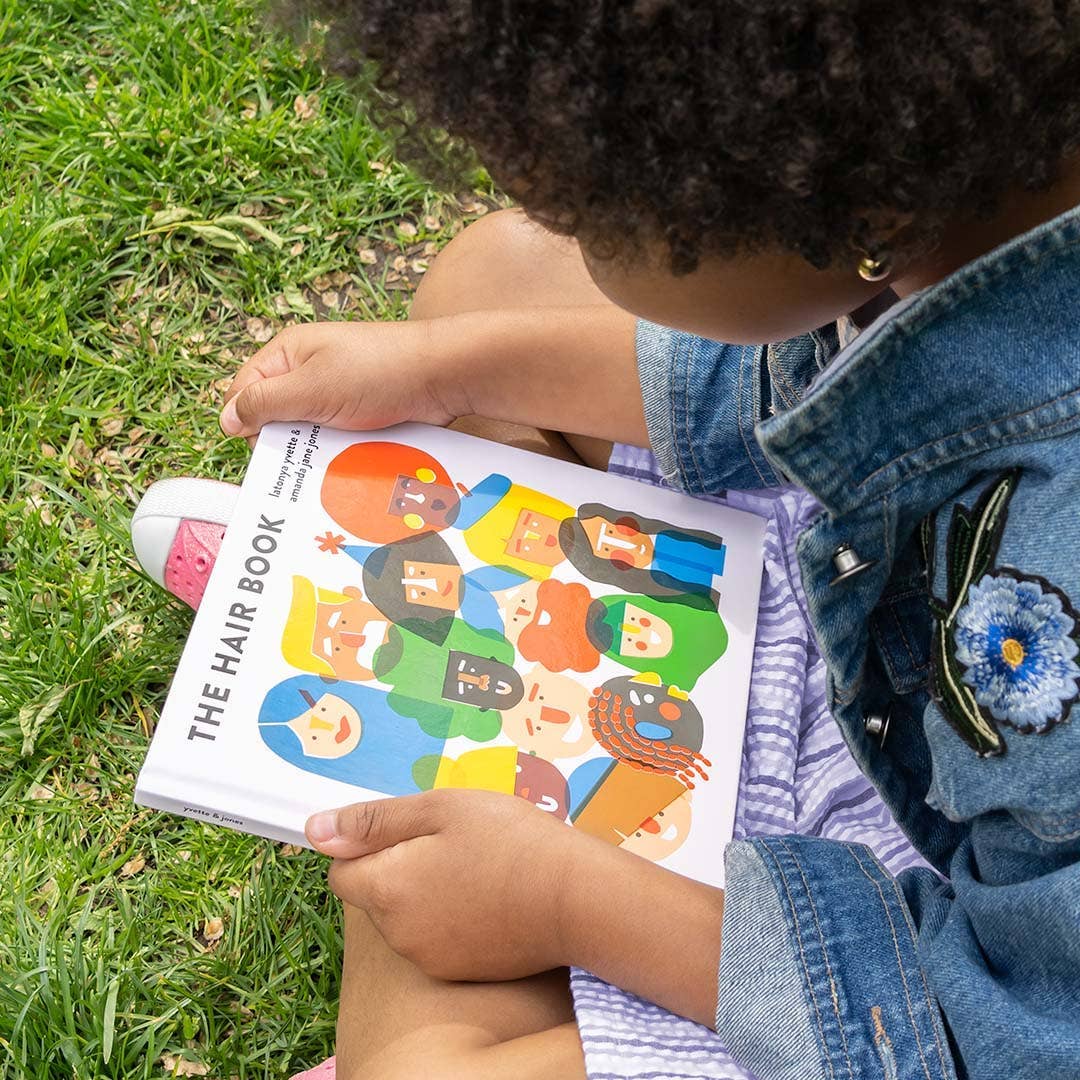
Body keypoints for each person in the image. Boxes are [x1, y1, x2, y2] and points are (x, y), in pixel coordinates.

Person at [134, 3, 1080, 1079]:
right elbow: (797, 361)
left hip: (934, 962)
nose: (580, 244)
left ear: (840, 200)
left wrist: (568, 900)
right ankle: (326, 577)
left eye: (602, 216)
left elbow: (1011, 1031)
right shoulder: (967, 193)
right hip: (887, 618)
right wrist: (443, 371)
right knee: (491, 285)